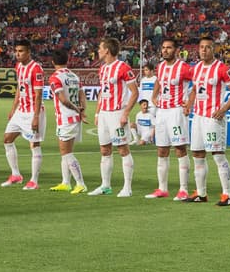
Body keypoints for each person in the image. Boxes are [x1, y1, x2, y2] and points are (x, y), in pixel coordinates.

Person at [185, 36, 230, 205]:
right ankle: (201, 193)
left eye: (208, 47)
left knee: (217, 155)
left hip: (213, 118)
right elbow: (195, 89)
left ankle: (227, 195)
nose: (204, 50)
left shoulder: (222, 68)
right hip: (197, 117)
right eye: (201, 47)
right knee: (197, 154)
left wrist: (223, 109)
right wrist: (189, 103)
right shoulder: (195, 69)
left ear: (214, 49)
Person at [88, 37, 138, 197]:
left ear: (107, 51)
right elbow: (102, 92)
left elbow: (135, 92)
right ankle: (105, 186)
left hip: (117, 113)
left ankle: (127, 188)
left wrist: (125, 113)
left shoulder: (123, 67)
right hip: (104, 114)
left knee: (123, 149)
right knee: (104, 150)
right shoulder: (102, 68)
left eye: (100, 48)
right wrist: (97, 112)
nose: (98, 51)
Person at [147, 38, 193, 200]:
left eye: (169, 48)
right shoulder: (160, 67)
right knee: (161, 150)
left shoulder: (183, 67)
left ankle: (183, 190)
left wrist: (190, 101)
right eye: (164, 48)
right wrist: (154, 96)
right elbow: (159, 81)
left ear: (176, 50)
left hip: (176, 112)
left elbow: (199, 81)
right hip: (162, 112)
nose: (165, 50)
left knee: (180, 149)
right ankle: (162, 189)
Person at [0, 40, 45, 190]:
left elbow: (38, 94)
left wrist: (36, 116)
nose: (17, 54)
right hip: (21, 111)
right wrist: (14, 108)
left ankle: (34, 180)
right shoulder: (18, 67)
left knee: (34, 144)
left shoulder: (36, 68)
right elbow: (19, 88)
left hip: (33, 111)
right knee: (7, 138)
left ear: (28, 52)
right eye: (16, 51)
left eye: (21, 51)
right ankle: (16, 175)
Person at [47, 48, 89, 194]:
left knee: (66, 153)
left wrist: (76, 109)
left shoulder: (54, 78)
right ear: (67, 60)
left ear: (53, 62)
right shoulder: (74, 76)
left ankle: (80, 183)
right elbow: (82, 95)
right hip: (73, 118)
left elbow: (63, 100)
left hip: (66, 118)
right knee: (66, 152)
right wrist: (82, 111)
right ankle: (66, 182)